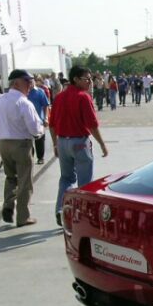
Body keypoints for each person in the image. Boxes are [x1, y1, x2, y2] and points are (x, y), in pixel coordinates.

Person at [50, 65, 108, 227]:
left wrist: (55, 143)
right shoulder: (83, 97)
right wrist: (102, 144)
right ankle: (83, 215)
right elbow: (92, 124)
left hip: (63, 142)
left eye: (91, 79)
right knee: (85, 182)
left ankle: (61, 209)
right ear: (75, 79)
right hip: (79, 143)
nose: (90, 82)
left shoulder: (60, 97)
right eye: (86, 79)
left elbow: (52, 124)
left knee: (66, 178)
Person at [0, 69, 44, 227]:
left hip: (4, 144)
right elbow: (34, 127)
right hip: (21, 145)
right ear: (17, 83)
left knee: (10, 178)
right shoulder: (24, 102)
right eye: (27, 81)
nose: (30, 85)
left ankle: (8, 205)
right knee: (25, 181)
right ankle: (23, 217)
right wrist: (40, 132)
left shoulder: (0, 100)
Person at [27, 78, 51, 164]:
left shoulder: (40, 91)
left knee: (40, 140)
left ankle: (40, 157)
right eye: (28, 81)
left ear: (34, 82)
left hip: (39, 120)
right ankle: (30, 157)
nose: (30, 83)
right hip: (27, 120)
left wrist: (46, 118)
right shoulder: (24, 92)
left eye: (31, 81)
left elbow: (45, 105)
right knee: (28, 141)